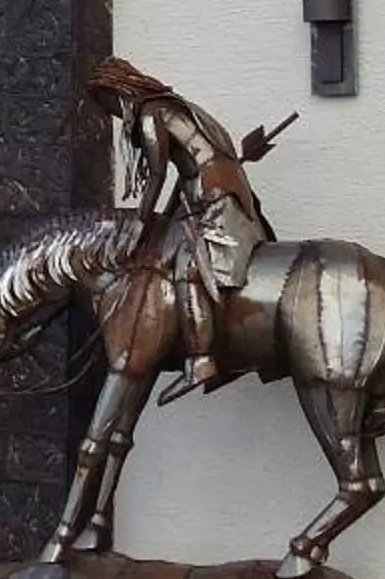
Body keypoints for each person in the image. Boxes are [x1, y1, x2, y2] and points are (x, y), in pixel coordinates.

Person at [80, 58, 286, 396]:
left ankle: (201, 360)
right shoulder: (180, 108)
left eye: (109, 106)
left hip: (214, 196)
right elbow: (188, 167)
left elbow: (158, 172)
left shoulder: (150, 114)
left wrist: (139, 223)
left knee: (189, 266)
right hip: (219, 190)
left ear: (117, 92)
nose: (114, 115)